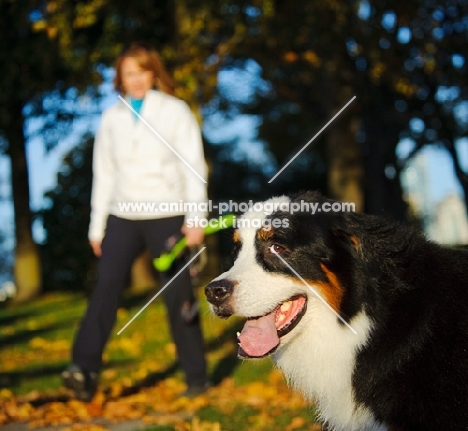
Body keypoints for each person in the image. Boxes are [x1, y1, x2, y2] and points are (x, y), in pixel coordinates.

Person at [62, 42, 209, 401]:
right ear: (120, 79)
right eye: (129, 73)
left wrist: (196, 219)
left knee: (177, 294)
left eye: (142, 71)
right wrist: (97, 226)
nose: (137, 79)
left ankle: (197, 377)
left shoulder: (175, 111)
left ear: (153, 73)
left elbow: (194, 166)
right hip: (122, 216)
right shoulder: (110, 117)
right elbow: (104, 173)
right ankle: (83, 369)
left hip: (168, 213)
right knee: (106, 287)